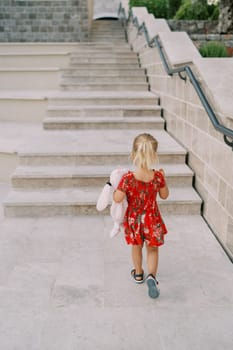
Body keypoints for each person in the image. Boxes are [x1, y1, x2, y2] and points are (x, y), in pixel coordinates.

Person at [113, 133, 169, 299]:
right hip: (152, 219)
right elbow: (165, 195)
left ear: (133, 153)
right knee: (152, 249)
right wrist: (164, 180)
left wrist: (115, 186)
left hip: (134, 220)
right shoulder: (158, 176)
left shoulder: (128, 178)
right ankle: (151, 276)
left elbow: (117, 198)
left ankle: (138, 273)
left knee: (136, 247)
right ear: (154, 155)